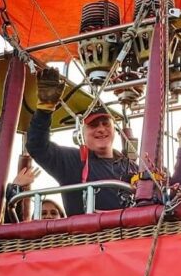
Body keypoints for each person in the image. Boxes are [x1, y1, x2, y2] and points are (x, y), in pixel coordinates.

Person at [27, 68, 137, 216]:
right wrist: (44, 109)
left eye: (105, 124)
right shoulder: (72, 161)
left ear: (114, 130)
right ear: (82, 134)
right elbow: (37, 146)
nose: (101, 129)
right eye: (93, 125)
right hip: (88, 237)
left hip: (133, 236)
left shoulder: (131, 167)